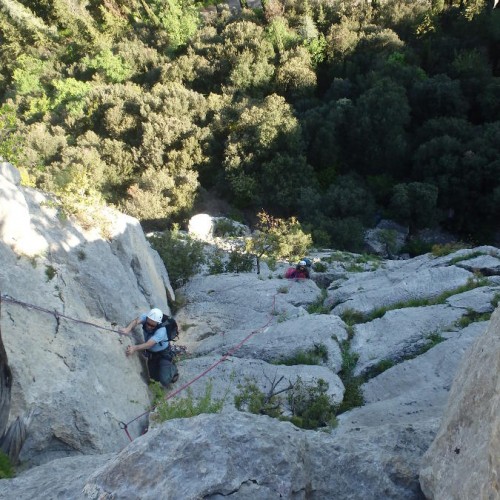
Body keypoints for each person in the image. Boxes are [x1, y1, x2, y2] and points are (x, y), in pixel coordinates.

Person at [120, 308, 178, 387]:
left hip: (164, 353)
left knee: (165, 381)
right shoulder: (146, 317)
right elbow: (136, 321)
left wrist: (134, 348)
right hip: (152, 353)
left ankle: (173, 369)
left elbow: (149, 344)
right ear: (147, 318)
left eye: (152, 325)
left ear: (158, 323)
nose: (149, 326)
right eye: (148, 323)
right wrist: (128, 329)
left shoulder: (161, 330)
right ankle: (163, 369)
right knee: (154, 378)